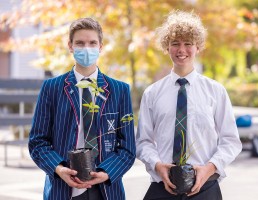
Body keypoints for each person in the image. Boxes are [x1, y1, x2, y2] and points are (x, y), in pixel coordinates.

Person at [136, 11, 242, 200]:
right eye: (175, 44)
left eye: (188, 44)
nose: (181, 50)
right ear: (166, 47)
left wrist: (209, 169)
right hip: (163, 186)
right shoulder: (152, 93)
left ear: (198, 47)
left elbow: (231, 141)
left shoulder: (215, 91)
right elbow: (143, 141)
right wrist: (157, 166)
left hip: (205, 187)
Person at [29, 17, 136, 200]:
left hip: (107, 189)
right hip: (62, 189)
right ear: (70, 46)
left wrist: (106, 172)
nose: (86, 48)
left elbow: (128, 148)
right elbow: (38, 142)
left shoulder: (120, 90)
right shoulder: (52, 88)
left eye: (92, 43)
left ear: (100, 47)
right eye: (80, 43)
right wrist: (59, 169)